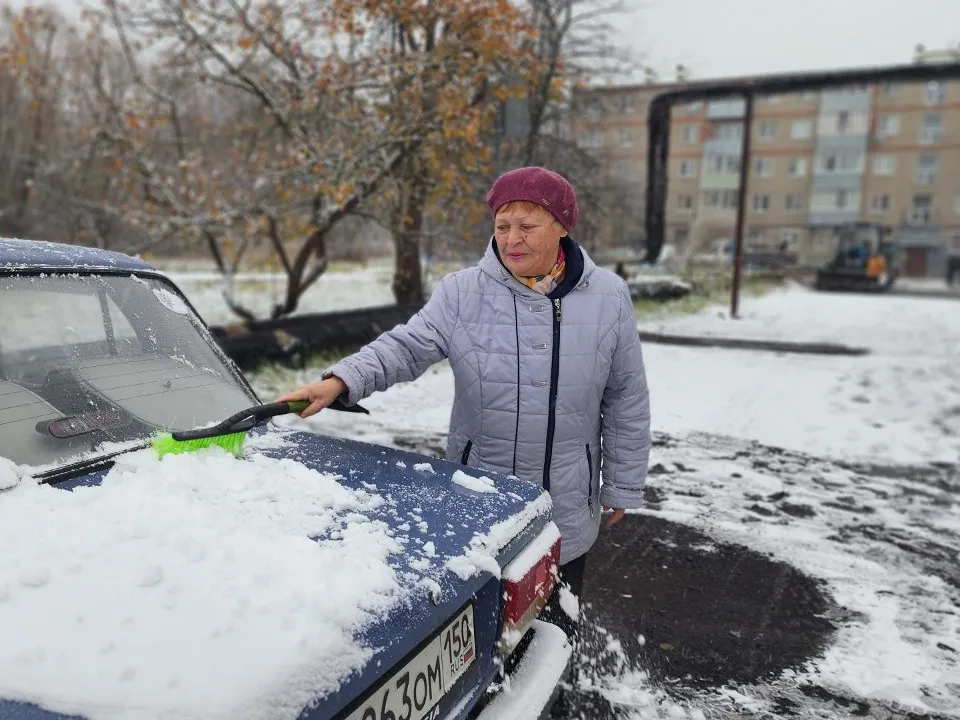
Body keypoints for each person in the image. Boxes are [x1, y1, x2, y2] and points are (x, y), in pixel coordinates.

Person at [276, 166, 651, 638]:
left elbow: (625, 397)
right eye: (502, 225)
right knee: (481, 631)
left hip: (567, 501)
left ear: (562, 226)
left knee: (554, 630)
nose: (512, 239)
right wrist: (338, 382)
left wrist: (622, 482)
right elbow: (405, 347)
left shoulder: (608, 297)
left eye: (527, 226)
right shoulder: (462, 293)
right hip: (483, 497)